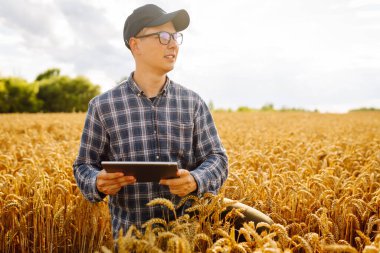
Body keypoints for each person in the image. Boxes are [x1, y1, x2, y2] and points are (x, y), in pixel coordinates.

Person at [73, 4, 229, 239]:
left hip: (185, 239)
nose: (173, 44)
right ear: (136, 45)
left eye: (176, 36)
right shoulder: (102, 106)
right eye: (163, 36)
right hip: (130, 241)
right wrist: (97, 182)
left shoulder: (193, 102)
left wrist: (196, 180)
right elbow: (83, 166)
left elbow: (218, 159)